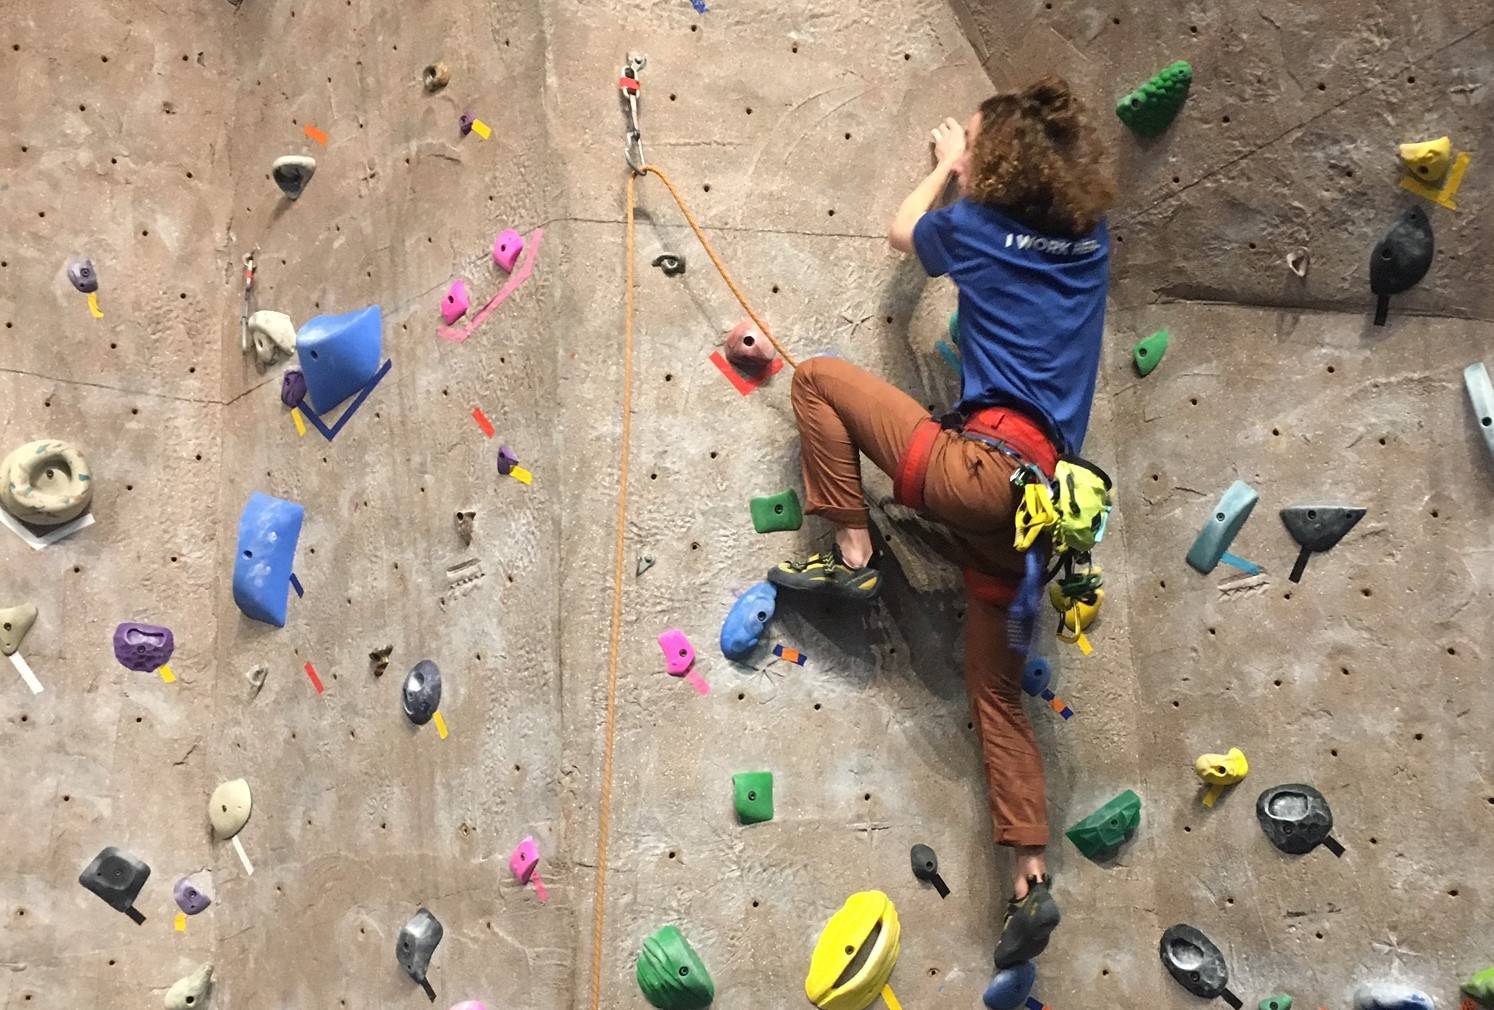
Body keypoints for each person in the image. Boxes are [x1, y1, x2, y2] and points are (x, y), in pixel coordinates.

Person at [766, 76, 1116, 969]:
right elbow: (1027, 246)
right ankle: (1031, 880)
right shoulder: (1092, 246)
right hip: (1038, 521)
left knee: (817, 380)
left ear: (990, 161)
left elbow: (901, 234)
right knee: (996, 697)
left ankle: (852, 554)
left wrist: (948, 169)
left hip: (976, 474)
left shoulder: (970, 227)